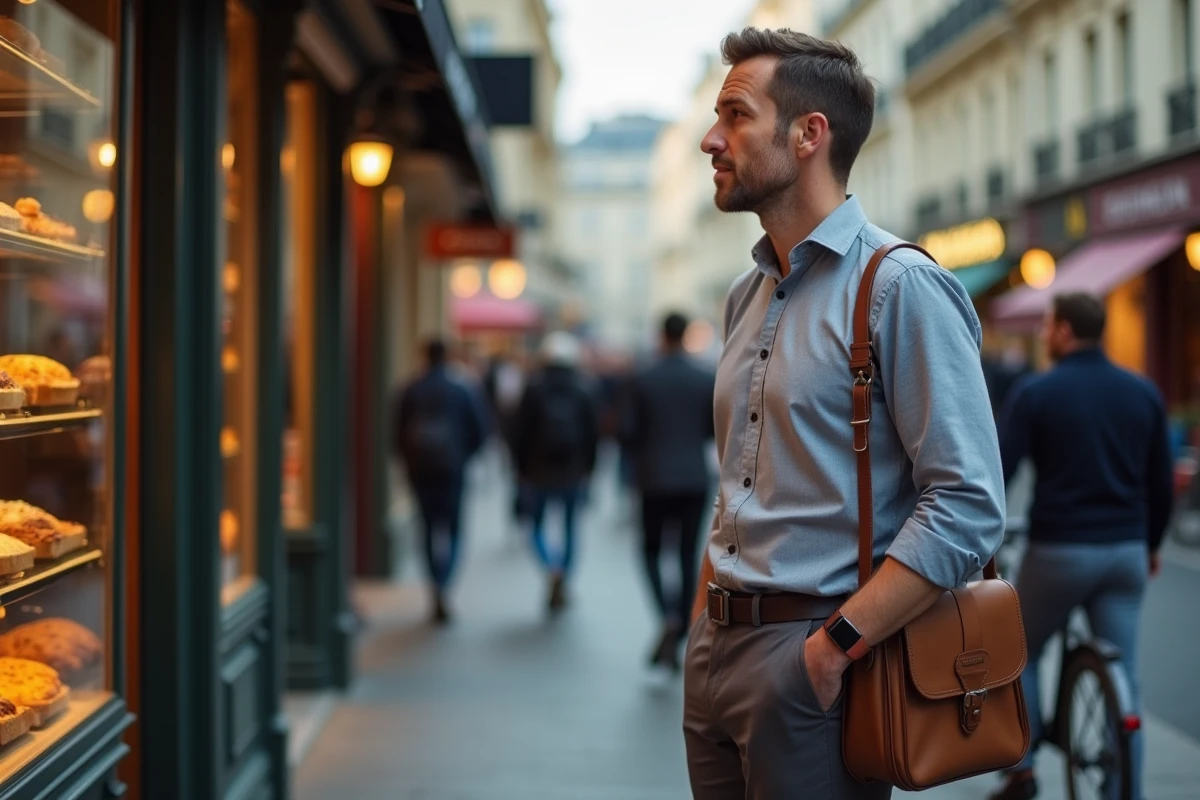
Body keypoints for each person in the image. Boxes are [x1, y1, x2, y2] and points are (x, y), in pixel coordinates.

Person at [684, 28, 1005, 798]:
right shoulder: (744, 294)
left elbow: (967, 502)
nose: (710, 140)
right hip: (715, 654)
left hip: (813, 658)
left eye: (735, 115)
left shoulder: (899, 288)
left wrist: (832, 648)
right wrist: (703, 619)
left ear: (807, 135)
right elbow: (737, 479)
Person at [990, 293, 1173, 800]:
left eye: (1048, 326)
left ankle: (1022, 769)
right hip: (1127, 551)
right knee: (1126, 672)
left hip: (1060, 550)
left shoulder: (1037, 393)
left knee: (1018, 651)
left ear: (1065, 331)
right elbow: (1160, 484)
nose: (1045, 335)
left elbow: (996, 474)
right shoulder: (1143, 393)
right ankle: (1123, 789)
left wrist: (988, 539)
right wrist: (1151, 544)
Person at [621, 312, 715, 670]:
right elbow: (712, 428)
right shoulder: (704, 377)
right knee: (688, 554)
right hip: (693, 477)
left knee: (650, 551)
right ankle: (680, 619)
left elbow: (627, 432)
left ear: (661, 336)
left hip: (654, 478)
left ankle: (667, 615)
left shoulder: (642, 378)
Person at [393, 338, 488, 625]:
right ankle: (445, 583)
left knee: (427, 528)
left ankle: (435, 582)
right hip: (452, 471)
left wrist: (409, 462)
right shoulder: (461, 389)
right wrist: (463, 457)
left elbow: (396, 434)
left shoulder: (411, 389)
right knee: (454, 529)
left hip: (421, 470)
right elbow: (480, 430)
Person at [512, 331, 599, 613]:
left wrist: (519, 468)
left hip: (538, 470)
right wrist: (590, 468)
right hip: (573, 470)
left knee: (535, 525)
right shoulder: (583, 388)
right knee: (570, 526)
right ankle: (565, 576)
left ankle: (552, 568)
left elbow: (519, 433)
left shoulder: (533, 388)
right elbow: (592, 433)